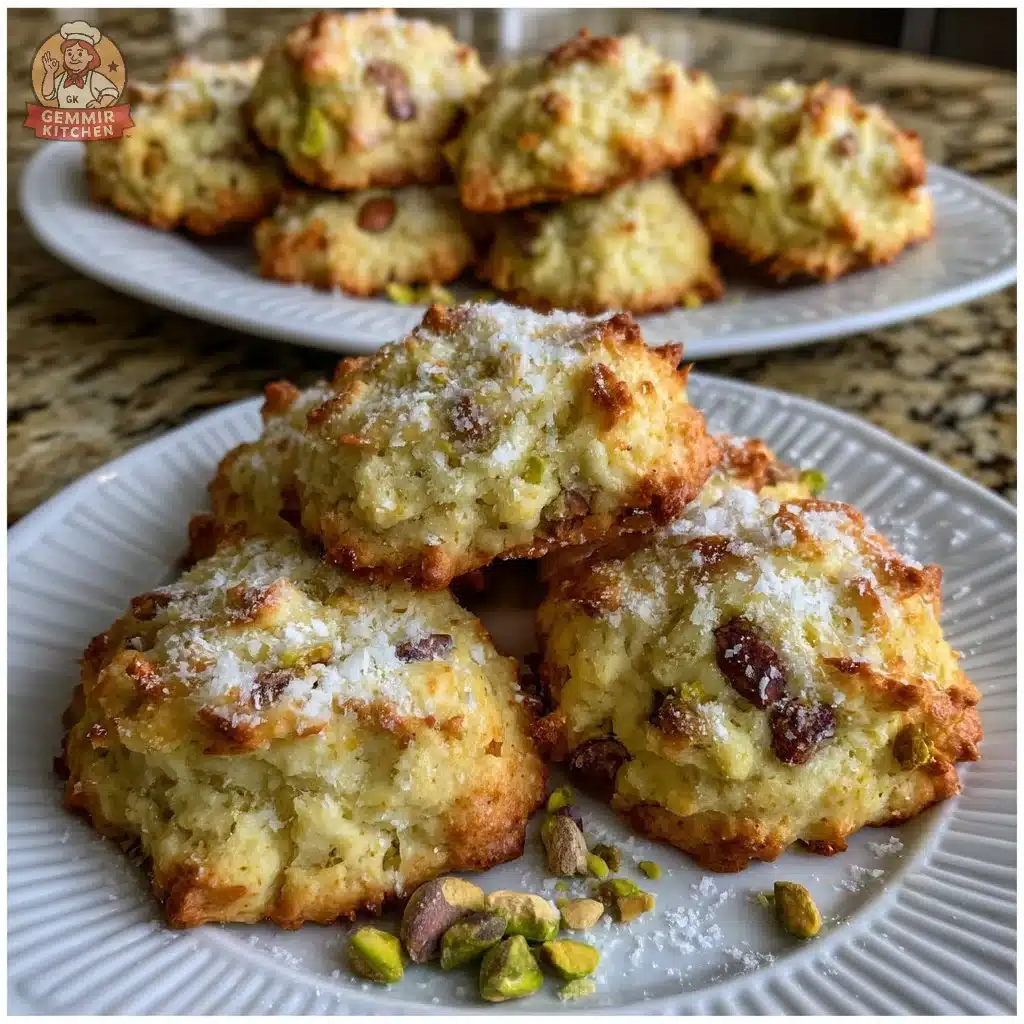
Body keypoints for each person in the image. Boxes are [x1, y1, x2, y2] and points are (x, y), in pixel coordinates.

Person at [40, 21, 119, 109]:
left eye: (80, 54)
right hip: (65, 121)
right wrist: (50, 73)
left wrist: (101, 104)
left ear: (90, 57)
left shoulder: (94, 77)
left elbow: (111, 92)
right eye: (69, 54)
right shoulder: (62, 78)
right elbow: (48, 95)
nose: (74, 58)